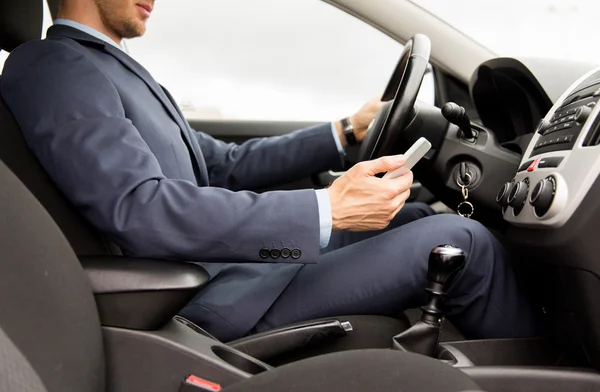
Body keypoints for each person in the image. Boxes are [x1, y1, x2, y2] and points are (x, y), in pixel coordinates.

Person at [1, 0, 538, 342]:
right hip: (206, 295)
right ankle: (548, 376)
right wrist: (328, 208)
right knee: (459, 239)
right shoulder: (55, 65)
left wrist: (347, 130)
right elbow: (137, 207)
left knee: (413, 214)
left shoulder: (109, 69)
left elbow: (222, 166)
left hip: (232, 269)